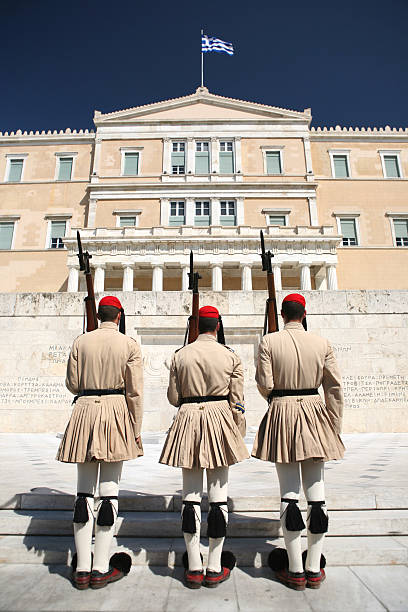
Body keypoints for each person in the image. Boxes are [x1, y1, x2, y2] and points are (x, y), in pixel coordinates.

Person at [252, 293, 344, 591]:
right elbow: (334, 387)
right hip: (315, 413)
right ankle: (314, 568)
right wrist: (334, 425)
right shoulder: (322, 343)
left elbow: (265, 384)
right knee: (317, 495)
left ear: (282, 315)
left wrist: (279, 400)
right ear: (304, 314)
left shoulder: (269, 342)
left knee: (288, 494)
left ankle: (294, 569)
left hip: (284, 412)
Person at [57, 296, 143, 590]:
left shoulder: (81, 341)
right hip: (116, 411)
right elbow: (135, 392)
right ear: (119, 316)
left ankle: (81, 568)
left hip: (84, 411)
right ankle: (101, 567)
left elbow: (71, 382)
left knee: (83, 492)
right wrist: (136, 426)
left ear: (98, 315)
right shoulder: (129, 344)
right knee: (109, 492)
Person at [159, 305, 249, 589]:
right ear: (218, 327)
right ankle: (214, 564)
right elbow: (237, 401)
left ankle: (194, 566)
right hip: (220, 419)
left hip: (188, 420)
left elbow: (174, 397)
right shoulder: (231, 356)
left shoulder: (179, 356)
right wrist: (237, 431)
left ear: (196, 328)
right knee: (219, 498)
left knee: (190, 497)